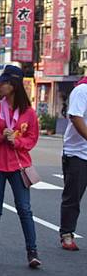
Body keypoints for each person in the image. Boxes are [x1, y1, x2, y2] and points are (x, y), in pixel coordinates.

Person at [0, 65, 41, 268]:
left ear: (13, 86)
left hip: (18, 167)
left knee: (25, 209)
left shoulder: (29, 113)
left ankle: (32, 252)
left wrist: (18, 142)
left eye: (2, 82)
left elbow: (32, 137)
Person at [59, 75, 87, 251]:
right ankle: (67, 234)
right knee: (73, 196)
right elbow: (76, 117)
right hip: (78, 154)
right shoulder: (82, 90)